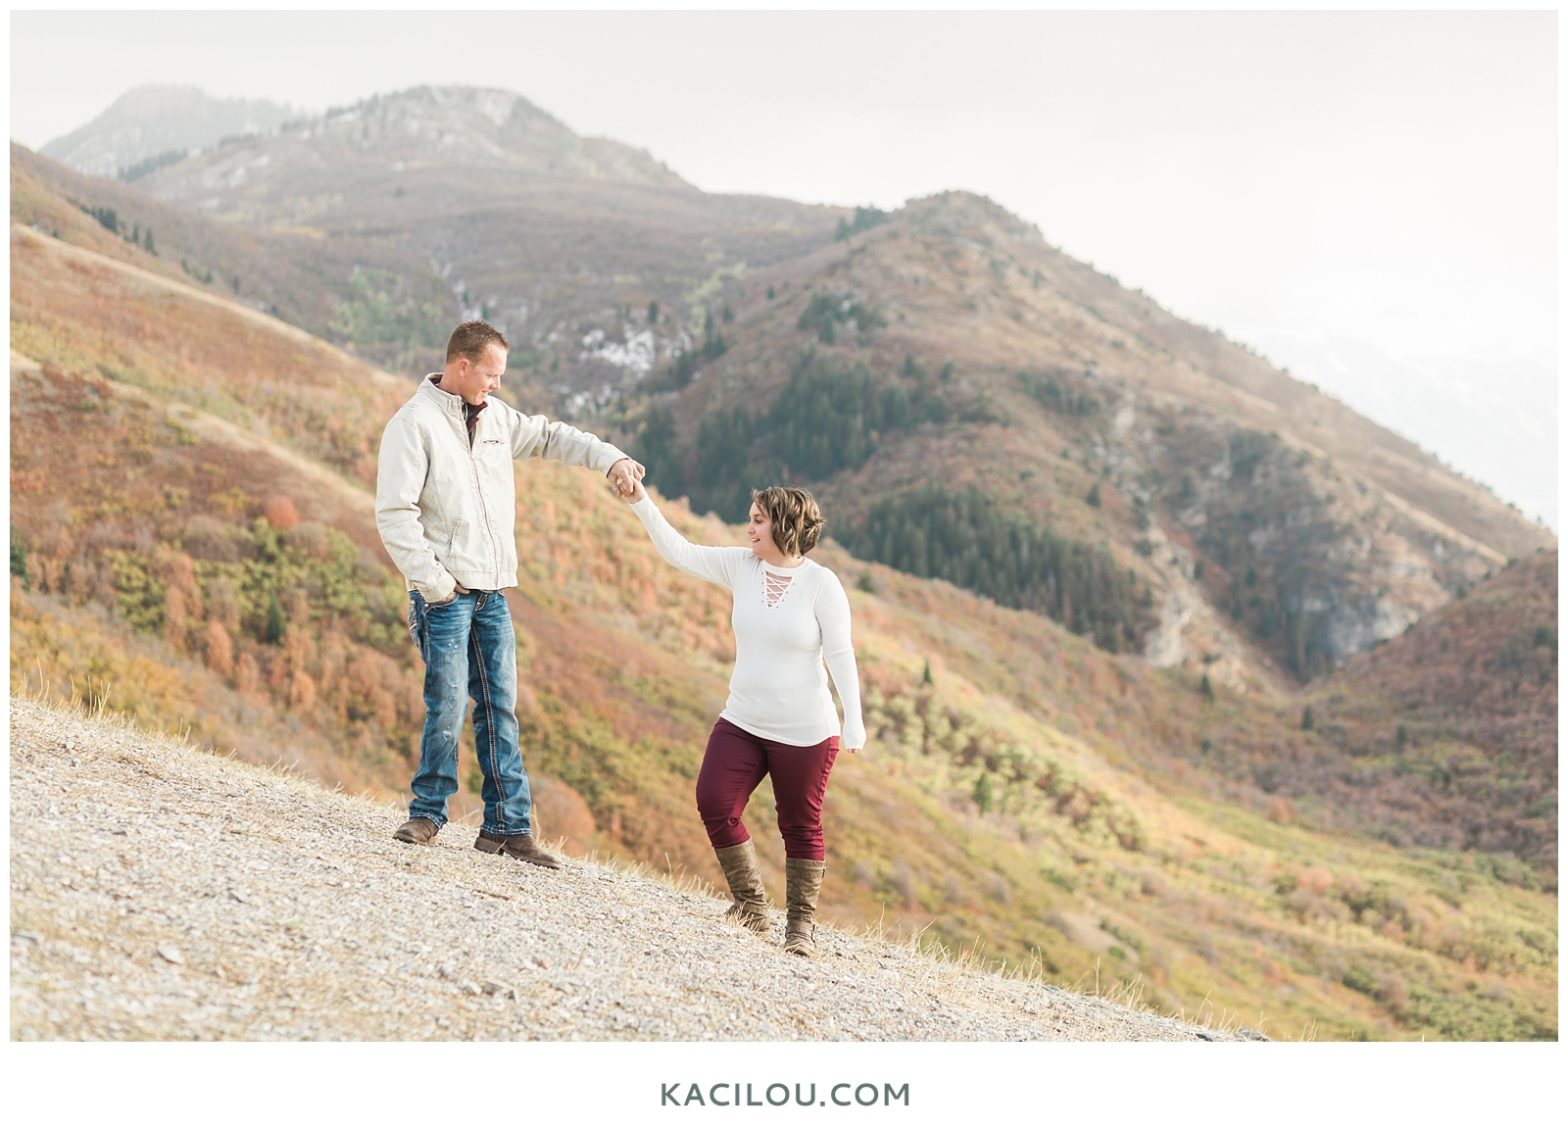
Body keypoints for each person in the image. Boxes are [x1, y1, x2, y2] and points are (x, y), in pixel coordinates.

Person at [376, 320, 643, 868]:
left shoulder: (497, 419)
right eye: (491, 375)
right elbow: (394, 515)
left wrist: (611, 458)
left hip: (493, 593)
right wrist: (435, 585)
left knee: (500, 708)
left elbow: (552, 436)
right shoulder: (414, 425)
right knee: (446, 706)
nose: (497, 385)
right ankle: (427, 813)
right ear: (462, 365)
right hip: (445, 596)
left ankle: (505, 827)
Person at [622, 478, 865, 957]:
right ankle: (751, 906)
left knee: (799, 824)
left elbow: (840, 653)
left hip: (806, 733)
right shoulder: (741, 566)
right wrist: (641, 502)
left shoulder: (822, 585)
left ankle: (800, 927)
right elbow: (680, 552)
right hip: (743, 721)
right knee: (714, 800)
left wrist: (853, 718)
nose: (748, 527)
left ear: (784, 525)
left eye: (757, 519)